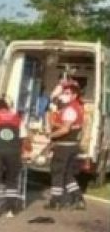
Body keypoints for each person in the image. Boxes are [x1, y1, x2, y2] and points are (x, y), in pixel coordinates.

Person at [0, 97, 28, 219]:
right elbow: (23, 137)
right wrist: (22, 152)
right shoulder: (17, 117)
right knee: (12, 180)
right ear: (6, 107)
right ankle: (11, 210)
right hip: (13, 152)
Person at [46, 81, 86, 210]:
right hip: (73, 146)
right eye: (64, 92)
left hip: (64, 147)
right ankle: (78, 198)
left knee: (57, 172)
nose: (64, 95)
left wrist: (50, 136)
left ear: (74, 95)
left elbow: (65, 130)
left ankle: (56, 201)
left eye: (67, 93)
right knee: (68, 174)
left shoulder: (70, 109)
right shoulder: (77, 108)